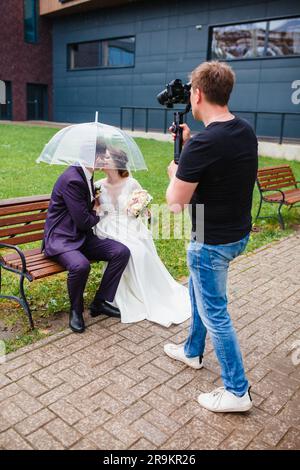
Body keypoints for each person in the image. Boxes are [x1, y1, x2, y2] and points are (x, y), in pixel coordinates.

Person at [164, 61, 258, 413]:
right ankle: (191, 350)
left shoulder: (203, 145)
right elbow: (223, 167)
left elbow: (175, 203)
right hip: (236, 234)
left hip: (210, 242)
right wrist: (190, 148)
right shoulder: (244, 130)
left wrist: (177, 169)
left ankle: (237, 391)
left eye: (191, 90)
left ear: (198, 94)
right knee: (199, 291)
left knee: (215, 312)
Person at [93, 147, 191, 327]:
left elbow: (144, 210)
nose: (101, 159)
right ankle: (116, 294)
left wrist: (140, 209)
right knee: (127, 249)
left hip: (129, 225)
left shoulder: (131, 183)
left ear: (117, 162)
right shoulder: (98, 185)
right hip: (106, 227)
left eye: (106, 157)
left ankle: (146, 290)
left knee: (140, 250)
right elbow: (95, 211)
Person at [42, 161, 130, 334]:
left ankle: (100, 302)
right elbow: (83, 222)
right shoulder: (72, 179)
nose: (103, 161)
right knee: (80, 265)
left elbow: (83, 218)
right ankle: (75, 311)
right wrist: (98, 211)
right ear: (89, 156)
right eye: (100, 156)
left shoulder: (86, 174)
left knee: (121, 252)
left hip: (80, 237)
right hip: (61, 239)